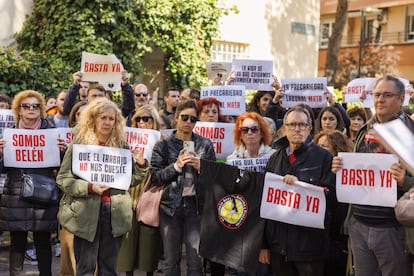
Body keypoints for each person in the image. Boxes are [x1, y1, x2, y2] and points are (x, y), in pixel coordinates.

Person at [331, 75, 414, 276]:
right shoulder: (366, 129)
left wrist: (406, 180)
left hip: (394, 229)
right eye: (377, 95)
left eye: (387, 95)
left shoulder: (410, 133)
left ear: (402, 99)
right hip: (359, 224)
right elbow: (358, 168)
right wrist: (340, 167)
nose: (380, 100)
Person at [56, 98, 149, 275]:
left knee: (109, 269)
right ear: (93, 119)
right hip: (85, 213)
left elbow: (130, 180)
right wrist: (89, 188)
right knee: (85, 268)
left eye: (111, 119)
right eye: (103, 117)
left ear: (117, 122)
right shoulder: (79, 144)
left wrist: (142, 165)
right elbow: (63, 179)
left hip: (114, 213)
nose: (107, 122)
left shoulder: (121, 145)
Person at [260, 105, 335, 276]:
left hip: (310, 248)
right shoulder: (275, 158)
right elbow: (265, 202)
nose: (297, 129)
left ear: (309, 128)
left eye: (302, 125)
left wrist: (300, 186)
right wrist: (264, 245)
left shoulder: (324, 158)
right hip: (279, 246)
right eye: (292, 125)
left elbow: (332, 198)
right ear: (285, 128)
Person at [0, 90, 66, 276]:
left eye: (35, 106)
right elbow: (2, 169)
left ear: (41, 110)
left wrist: (62, 151)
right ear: (18, 110)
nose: (31, 109)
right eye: (26, 106)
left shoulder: (51, 133)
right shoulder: (10, 134)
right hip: (16, 193)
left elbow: (61, 166)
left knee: (43, 242)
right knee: (17, 242)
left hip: (43, 192)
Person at [151, 100, 216, 275]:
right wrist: (177, 166)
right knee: (171, 261)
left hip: (196, 208)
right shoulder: (163, 145)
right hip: (170, 208)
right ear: (176, 118)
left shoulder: (205, 145)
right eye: (184, 117)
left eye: (193, 119)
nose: (188, 122)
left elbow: (214, 179)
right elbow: (155, 177)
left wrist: (201, 167)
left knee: (195, 262)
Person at [227, 112, 275, 276]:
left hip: (267, 222)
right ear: (239, 134)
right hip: (243, 224)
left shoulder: (274, 157)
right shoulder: (232, 160)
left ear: (262, 132)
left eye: (254, 129)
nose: (249, 133)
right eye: (244, 129)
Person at [117, 104, 162, 276]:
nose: (142, 123)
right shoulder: (125, 141)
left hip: (151, 196)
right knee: (127, 244)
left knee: (148, 243)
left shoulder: (162, 141)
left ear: (154, 122)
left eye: (146, 119)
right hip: (129, 195)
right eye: (138, 119)